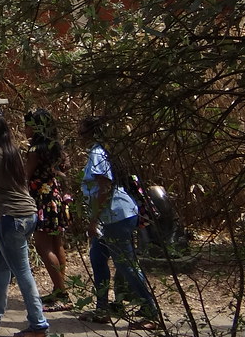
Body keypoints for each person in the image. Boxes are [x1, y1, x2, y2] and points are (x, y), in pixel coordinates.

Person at [0, 116, 50, 337]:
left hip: (9, 218)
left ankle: (38, 324)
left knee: (22, 272)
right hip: (27, 214)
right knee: (1, 265)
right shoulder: (11, 152)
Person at [77, 115, 160, 329]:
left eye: (81, 131)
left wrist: (93, 220)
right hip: (111, 217)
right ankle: (102, 308)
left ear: (91, 133)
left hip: (115, 216)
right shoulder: (100, 152)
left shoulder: (97, 152)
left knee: (126, 265)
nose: (78, 135)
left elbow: (104, 188)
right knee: (97, 257)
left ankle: (151, 312)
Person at [23, 108, 72, 310]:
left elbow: (26, 176)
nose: (25, 129)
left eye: (27, 125)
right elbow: (65, 167)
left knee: (44, 247)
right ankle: (60, 288)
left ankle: (62, 295)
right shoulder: (55, 147)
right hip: (55, 198)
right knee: (56, 242)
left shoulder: (35, 151)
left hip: (41, 200)